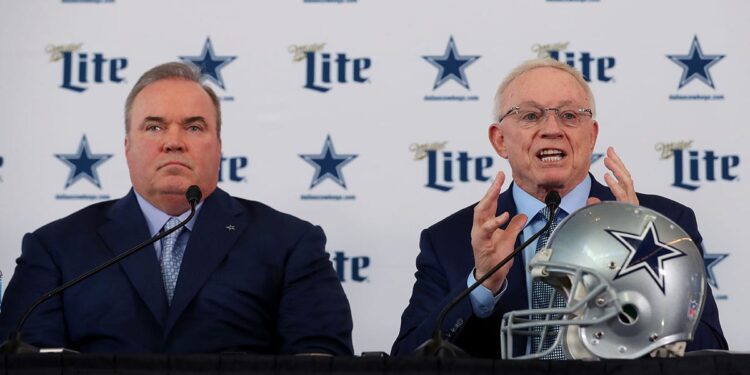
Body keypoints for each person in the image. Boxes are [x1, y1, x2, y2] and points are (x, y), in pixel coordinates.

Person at [0, 62, 353, 354]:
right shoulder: (55, 247)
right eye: (154, 127)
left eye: (194, 127)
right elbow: (24, 359)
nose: (173, 142)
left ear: (218, 147)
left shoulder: (290, 243)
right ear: (127, 147)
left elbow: (320, 361)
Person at [391, 58, 728, 358]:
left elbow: (711, 355)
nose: (552, 129)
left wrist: (641, 273)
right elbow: (408, 359)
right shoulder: (447, 239)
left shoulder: (663, 224)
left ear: (592, 135)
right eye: (530, 115)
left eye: (569, 115)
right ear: (499, 140)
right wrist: (481, 284)